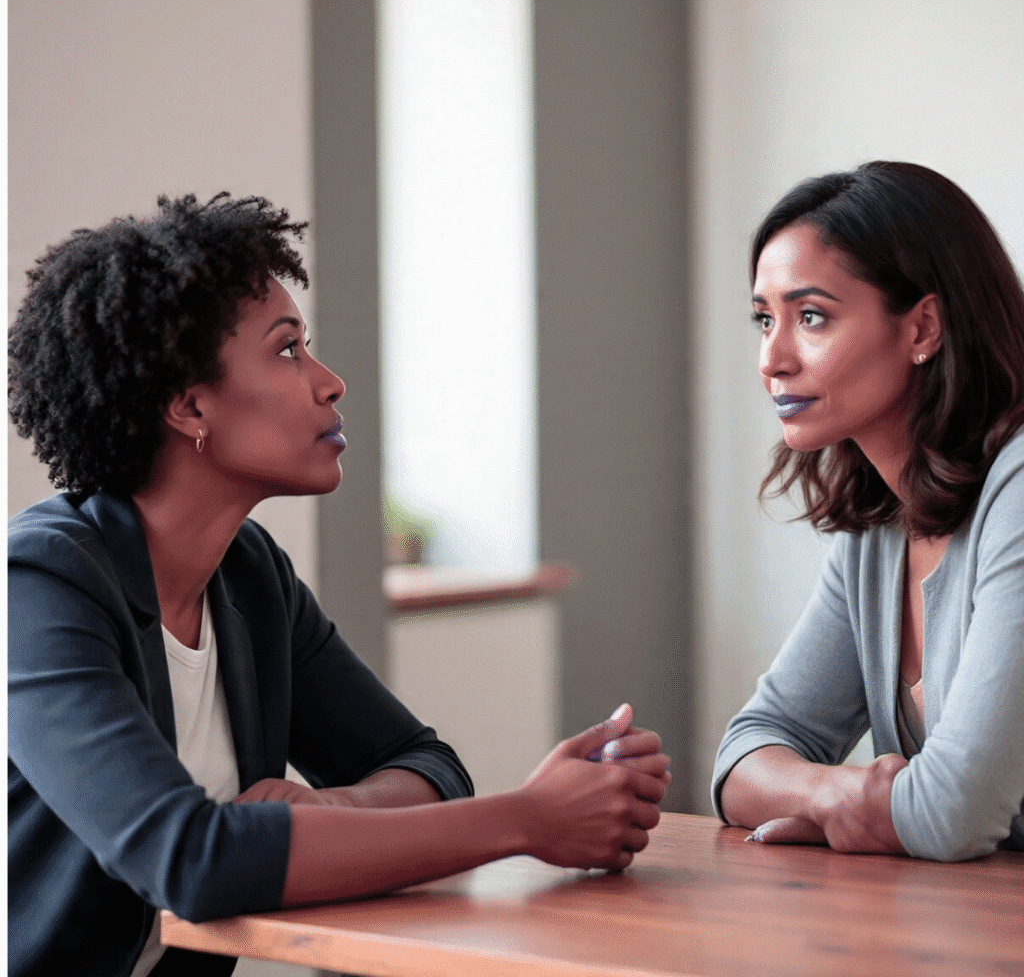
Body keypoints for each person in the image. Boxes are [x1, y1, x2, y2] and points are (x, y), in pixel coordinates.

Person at [7, 192, 671, 977]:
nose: (329, 382)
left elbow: (424, 765)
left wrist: (334, 807)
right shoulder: (40, 585)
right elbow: (187, 860)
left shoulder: (250, 577)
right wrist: (527, 820)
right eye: (287, 350)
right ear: (189, 406)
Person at [712, 161, 1024, 862]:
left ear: (923, 327)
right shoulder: (881, 525)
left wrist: (840, 801)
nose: (772, 357)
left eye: (811, 317)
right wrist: (834, 798)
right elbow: (744, 752)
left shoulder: (1020, 490)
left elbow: (954, 815)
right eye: (766, 318)